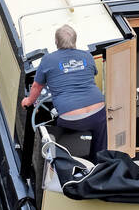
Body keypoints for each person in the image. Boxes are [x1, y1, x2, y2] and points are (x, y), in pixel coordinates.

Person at [21, 24, 107, 163]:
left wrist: (29, 101)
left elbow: (37, 86)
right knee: (100, 147)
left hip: (71, 118)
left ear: (56, 42)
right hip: (97, 111)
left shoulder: (48, 60)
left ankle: (63, 166)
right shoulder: (87, 56)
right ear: (75, 40)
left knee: (60, 140)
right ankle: (100, 168)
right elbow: (91, 74)